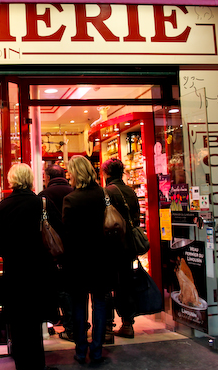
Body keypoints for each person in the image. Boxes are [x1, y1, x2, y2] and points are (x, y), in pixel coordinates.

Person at [0, 163, 58, 370]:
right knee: (35, 324)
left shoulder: (4, 206)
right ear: (30, 179)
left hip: (15, 273)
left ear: (12, 180)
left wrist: (12, 253)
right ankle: (38, 365)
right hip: (39, 272)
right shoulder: (42, 203)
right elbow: (58, 234)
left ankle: (22, 365)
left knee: (19, 325)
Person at [62, 155, 111, 364]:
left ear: (75, 173)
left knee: (79, 306)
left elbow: (67, 235)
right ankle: (97, 351)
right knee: (100, 304)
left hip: (78, 261)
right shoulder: (103, 195)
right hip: (101, 258)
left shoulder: (71, 199)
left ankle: (81, 350)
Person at [102, 157, 141, 339]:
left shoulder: (107, 192)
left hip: (111, 246)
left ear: (107, 173)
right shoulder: (131, 192)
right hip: (129, 246)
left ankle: (108, 328)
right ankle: (127, 324)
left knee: (108, 285)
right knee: (126, 284)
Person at [38, 164, 74, 341]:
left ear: (47, 177)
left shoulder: (43, 197)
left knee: (61, 289)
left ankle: (69, 325)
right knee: (75, 287)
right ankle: (78, 323)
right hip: (75, 246)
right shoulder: (75, 191)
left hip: (54, 249)